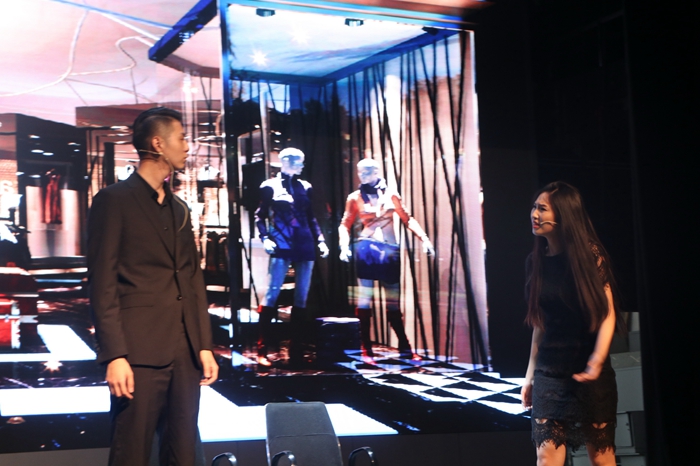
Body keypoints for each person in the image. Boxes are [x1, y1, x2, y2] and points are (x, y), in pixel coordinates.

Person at [88, 107, 218, 466]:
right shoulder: (114, 200)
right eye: (182, 138)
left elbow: (191, 280)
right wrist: (114, 355)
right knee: (131, 451)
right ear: (158, 144)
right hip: (138, 352)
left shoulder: (179, 209)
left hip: (184, 352)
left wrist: (203, 346)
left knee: (183, 452)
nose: (187, 147)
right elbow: (102, 283)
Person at [521, 181, 621, 466]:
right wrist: (529, 376)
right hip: (549, 372)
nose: (535, 214)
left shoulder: (590, 255)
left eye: (542, 208)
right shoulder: (535, 261)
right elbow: (540, 323)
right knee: (546, 456)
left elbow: (608, 314)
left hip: (588, 370)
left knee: (601, 458)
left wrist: (596, 361)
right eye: (534, 207)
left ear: (563, 214)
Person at [338, 158, 434, 360]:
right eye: (360, 172)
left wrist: (424, 239)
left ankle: (405, 347)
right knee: (364, 299)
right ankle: (366, 349)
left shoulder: (391, 195)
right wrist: (344, 246)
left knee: (393, 301)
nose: (362, 176)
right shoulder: (355, 197)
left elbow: (408, 219)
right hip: (367, 250)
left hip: (389, 251)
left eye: (366, 172)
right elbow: (345, 224)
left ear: (376, 172)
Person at [254, 148, 329, 366]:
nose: (302, 166)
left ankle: (296, 348)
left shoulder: (305, 186)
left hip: (304, 243)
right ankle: (262, 348)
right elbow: (260, 215)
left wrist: (320, 239)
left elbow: (310, 216)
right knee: (272, 293)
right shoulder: (269, 186)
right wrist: (265, 238)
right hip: (282, 243)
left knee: (301, 296)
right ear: (286, 162)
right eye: (298, 162)